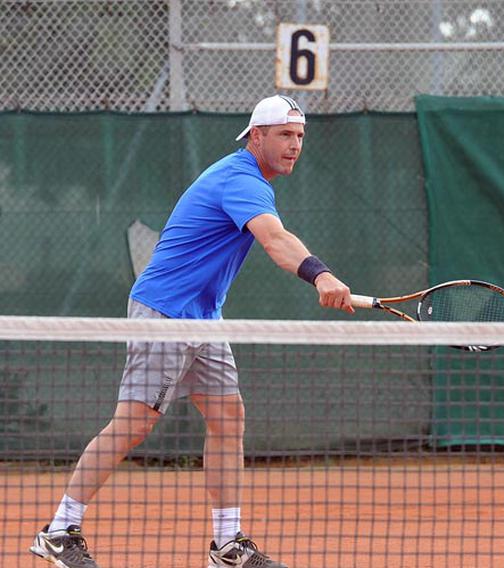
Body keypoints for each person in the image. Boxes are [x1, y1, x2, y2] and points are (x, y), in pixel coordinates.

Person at [29, 95, 355, 568]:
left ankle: (227, 546)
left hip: (203, 316)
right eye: (285, 135)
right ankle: (59, 530)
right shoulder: (241, 180)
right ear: (256, 136)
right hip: (165, 312)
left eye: (300, 136)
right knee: (135, 423)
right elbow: (276, 241)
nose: (295, 145)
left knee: (228, 418)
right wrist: (321, 275)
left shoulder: (252, 181)